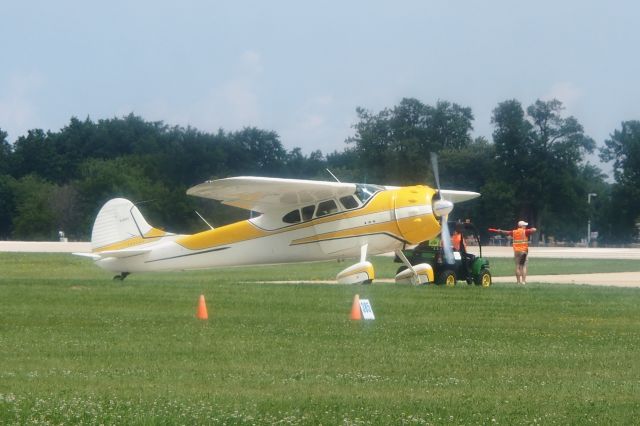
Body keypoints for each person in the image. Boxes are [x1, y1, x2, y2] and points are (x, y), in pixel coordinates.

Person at [490, 220, 537, 285]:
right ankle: (523, 281)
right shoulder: (525, 231)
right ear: (522, 226)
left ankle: (518, 282)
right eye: (525, 225)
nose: (525, 226)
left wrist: (500, 231)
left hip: (516, 251)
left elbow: (506, 232)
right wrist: (532, 229)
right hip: (523, 251)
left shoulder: (514, 232)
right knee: (523, 266)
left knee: (517, 266)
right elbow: (534, 230)